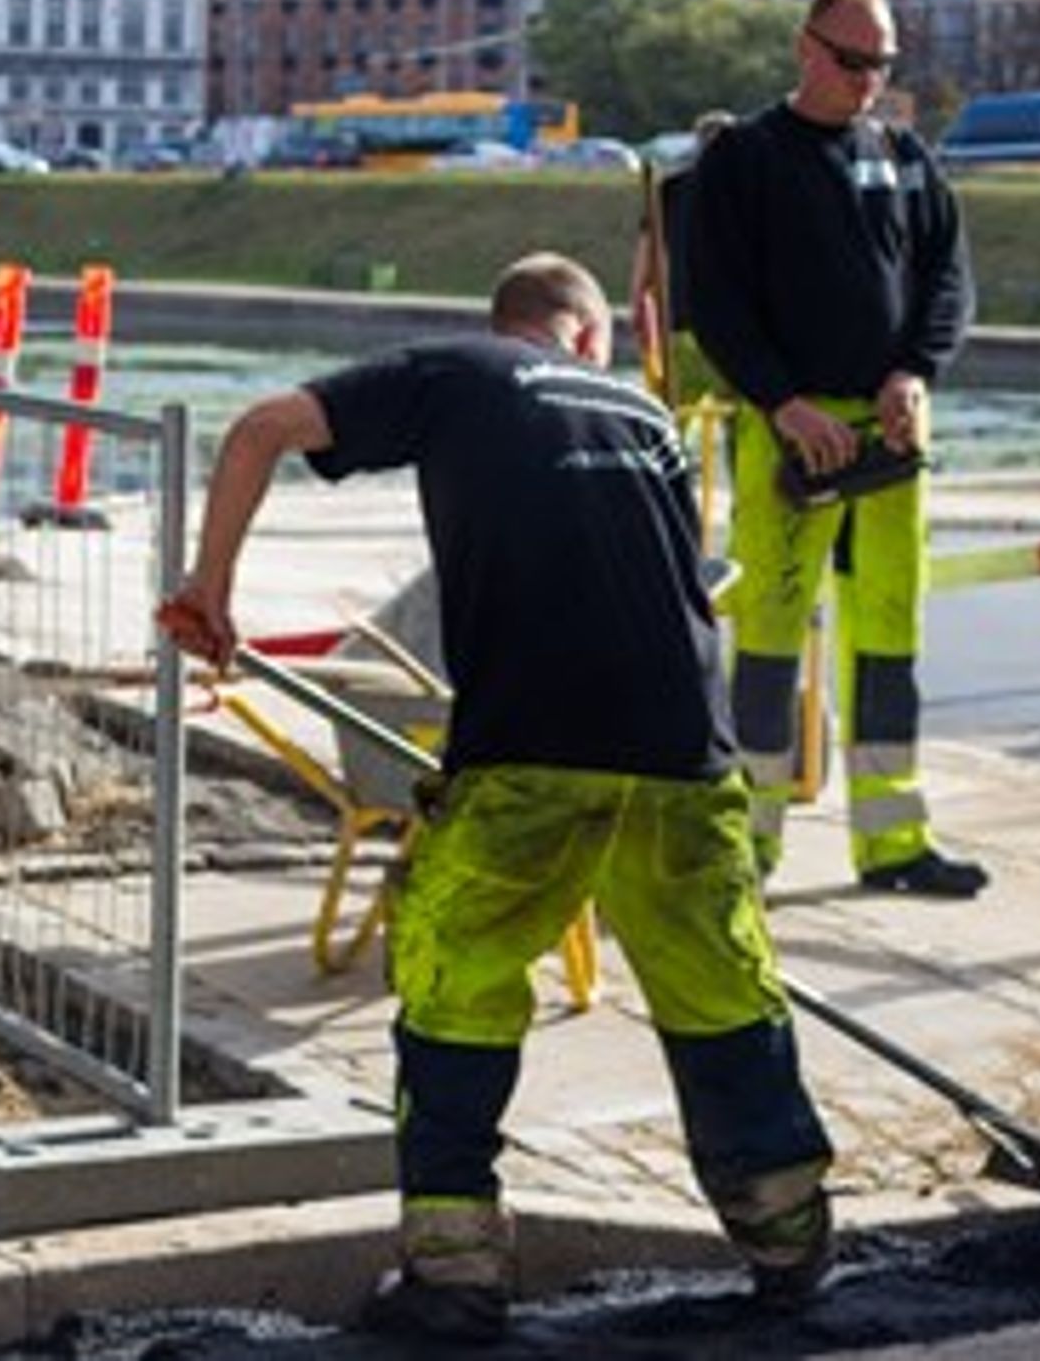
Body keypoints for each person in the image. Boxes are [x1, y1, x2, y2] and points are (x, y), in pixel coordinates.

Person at [156, 253, 836, 1344]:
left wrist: (210, 590)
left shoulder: (459, 369)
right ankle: (791, 1246)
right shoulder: (647, 417)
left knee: (454, 982)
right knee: (721, 989)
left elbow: (259, 430)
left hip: (532, 748)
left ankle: (457, 1270)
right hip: (685, 755)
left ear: (510, 322)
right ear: (587, 335)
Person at [686, 0, 988, 900]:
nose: (868, 80)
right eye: (853, 61)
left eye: (882, 63)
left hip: (890, 434)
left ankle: (893, 841)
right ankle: (748, 845)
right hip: (791, 435)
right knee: (771, 639)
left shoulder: (904, 156)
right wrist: (782, 402)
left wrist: (915, 373)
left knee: (889, 633)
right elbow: (714, 302)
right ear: (805, 49)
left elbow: (949, 278)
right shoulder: (745, 159)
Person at [627, 109, 735, 411]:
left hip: (684, 320)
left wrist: (638, 300)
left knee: (679, 410)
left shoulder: (671, 189)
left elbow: (648, 251)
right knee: (728, 414)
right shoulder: (748, 189)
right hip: (729, 325)